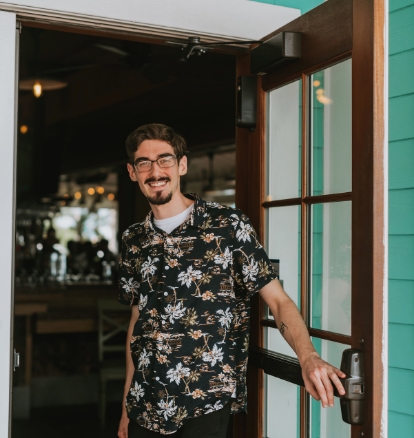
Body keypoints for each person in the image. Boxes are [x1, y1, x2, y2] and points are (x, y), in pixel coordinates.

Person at [117, 124, 345, 438]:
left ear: (182, 165)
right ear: (133, 172)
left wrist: (308, 358)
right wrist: (126, 406)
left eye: (165, 160)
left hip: (205, 402)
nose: (155, 171)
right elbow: (137, 321)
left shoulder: (227, 225)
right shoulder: (133, 240)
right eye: (144, 163)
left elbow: (278, 300)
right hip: (144, 404)